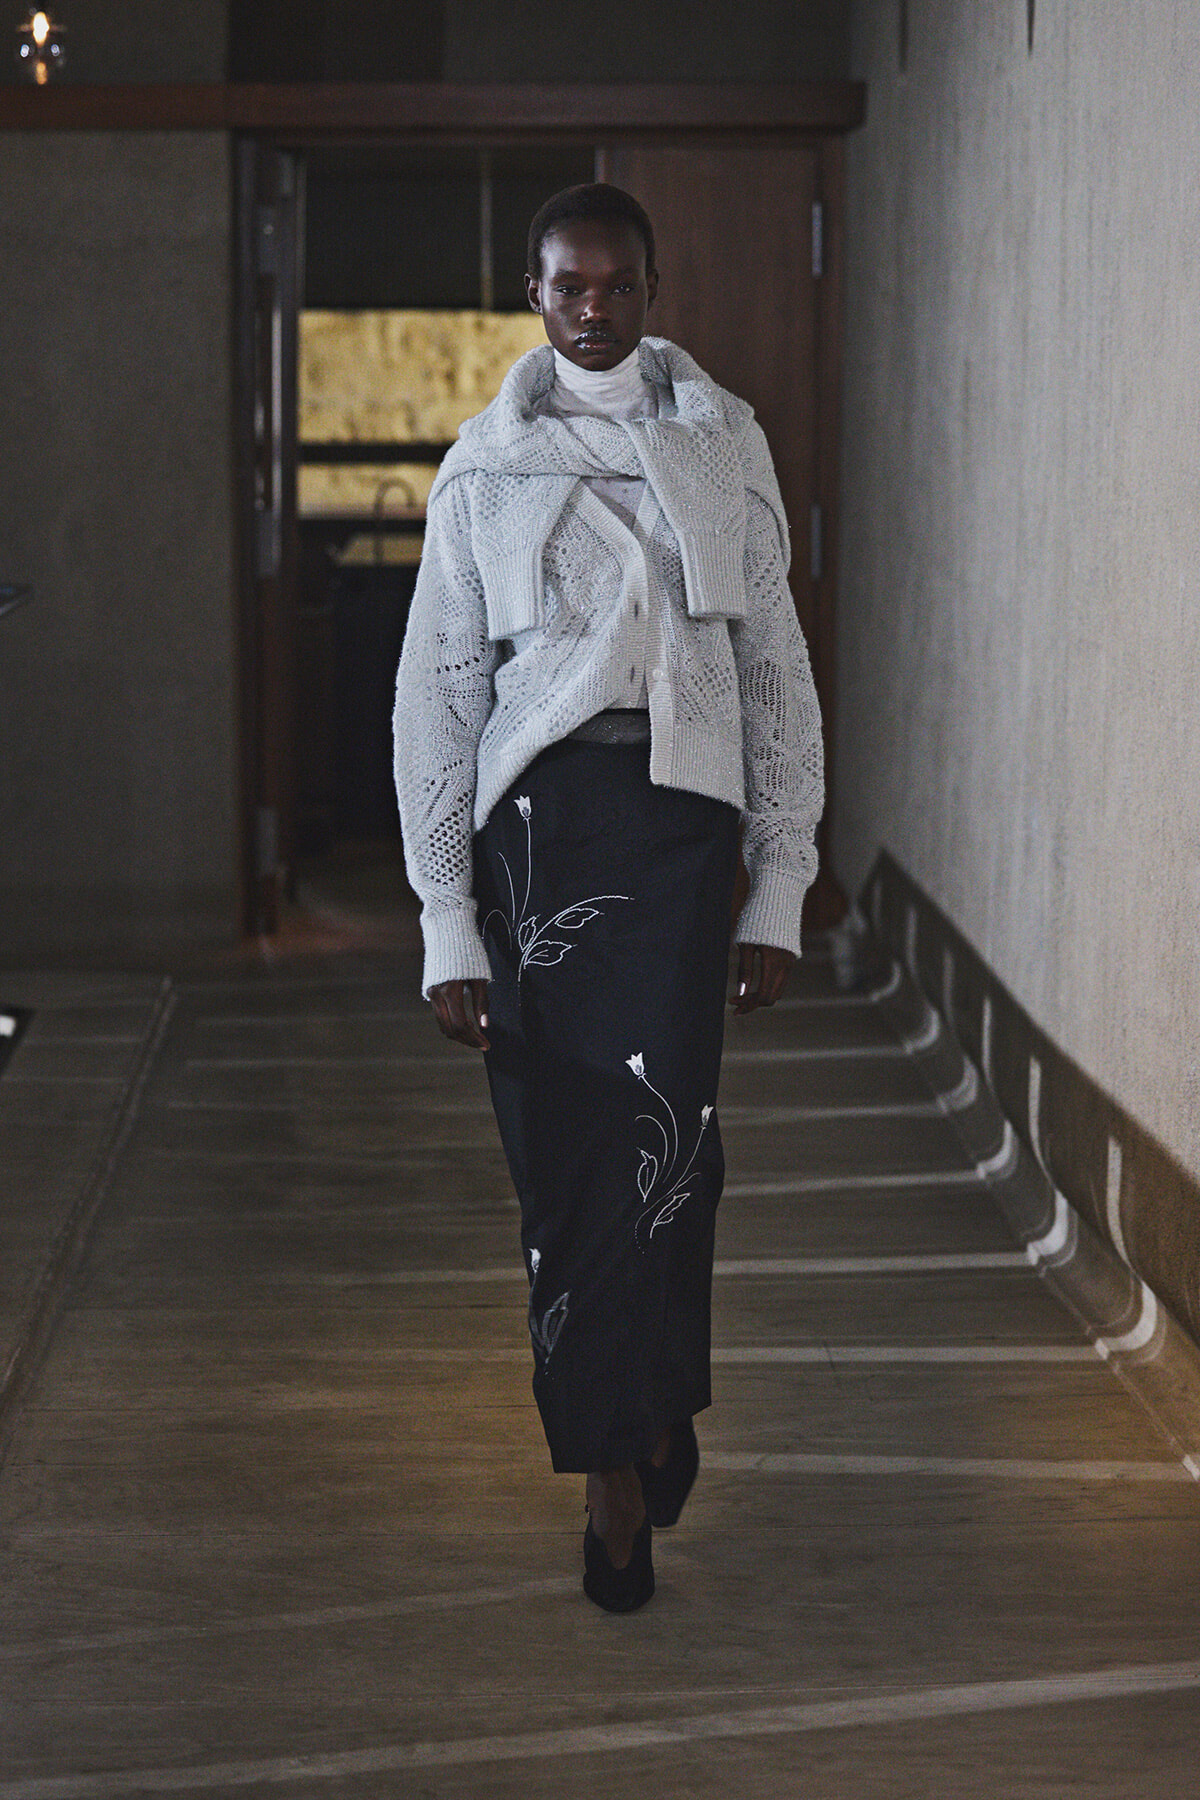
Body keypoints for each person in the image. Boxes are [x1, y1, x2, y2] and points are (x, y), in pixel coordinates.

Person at [394, 183, 823, 1612]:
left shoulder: (723, 442)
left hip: (683, 835)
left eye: (617, 284)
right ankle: (611, 1463)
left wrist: (781, 884)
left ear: (652, 288)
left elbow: (776, 674)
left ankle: (652, 1405)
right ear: (534, 293)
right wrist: (446, 917)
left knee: (672, 1154)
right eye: (568, 285)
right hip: (538, 843)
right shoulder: (481, 468)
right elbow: (439, 704)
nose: (594, 307)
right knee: (563, 1167)